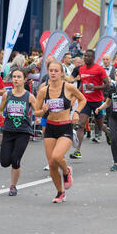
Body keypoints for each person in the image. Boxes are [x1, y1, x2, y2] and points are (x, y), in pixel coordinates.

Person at [35, 61, 87, 203]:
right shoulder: (43, 90)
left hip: (65, 127)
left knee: (57, 157)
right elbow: (36, 112)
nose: (53, 73)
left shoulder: (69, 87)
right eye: (51, 70)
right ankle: (60, 192)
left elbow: (83, 99)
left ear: (61, 73)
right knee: (51, 164)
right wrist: (43, 110)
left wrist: (76, 112)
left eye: (56, 71)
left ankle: (66, 171)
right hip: (50, 128)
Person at [0, 69, 36, 196]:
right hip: (8, 131)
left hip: (23, 132)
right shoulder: (7, 95)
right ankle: (13, 181)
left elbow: (37, 111)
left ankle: (13, 186)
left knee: (15, 160)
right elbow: (0, 109)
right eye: (14, 77)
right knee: (5, 162)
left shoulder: (30, 96)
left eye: (19, 77)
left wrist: (43, 113)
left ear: (24, 79)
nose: (16, 79)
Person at [70, 50, 111, 159]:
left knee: (99, 125)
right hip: (85, 101)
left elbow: (107, 85)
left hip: (98, 101)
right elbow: (83, 83)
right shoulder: (81, 69)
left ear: (93, 58)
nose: (86, 58)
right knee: (81, 124)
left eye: (88, 56)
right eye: (85, 56)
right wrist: (76, 95)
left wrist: (94, 88)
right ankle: (77, 150)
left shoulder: (99, 69)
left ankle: (107, 132)